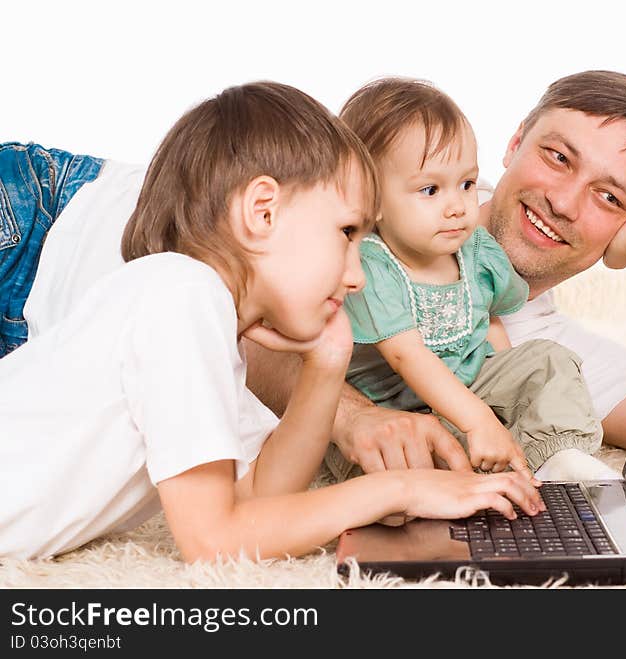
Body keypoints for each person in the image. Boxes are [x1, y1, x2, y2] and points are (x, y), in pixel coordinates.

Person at [1, 70, 626, 479]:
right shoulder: (396, 166)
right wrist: (352, 421)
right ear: (514, 140)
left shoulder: (541, 347)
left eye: (609, 197)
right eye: (557, 155)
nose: (563, 200)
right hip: (49, 224)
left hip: (41, 366)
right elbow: (235, 302)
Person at [0, 82, 543, 561]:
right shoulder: (179, 295)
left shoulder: (207, 325)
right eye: (348, 234)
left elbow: (262, 499)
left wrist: (327, 368)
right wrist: (402, 489)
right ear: (263, 212)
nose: (357, 276)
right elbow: (212, 541)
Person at [321, 77, 602, 484]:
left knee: (547, 360)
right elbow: (407, 357)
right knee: (391, 467)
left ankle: (557, 456)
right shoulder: (369, 266)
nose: (457, 206)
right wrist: (480, 420)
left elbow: (490, 321)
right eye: (431, 189)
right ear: (371, 200)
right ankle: (450, 479)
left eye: (467, 184)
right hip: (393, 409)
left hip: (468, 387)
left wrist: (504, 397)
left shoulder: (475, 250)